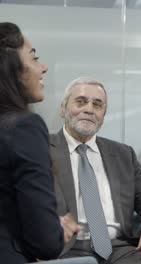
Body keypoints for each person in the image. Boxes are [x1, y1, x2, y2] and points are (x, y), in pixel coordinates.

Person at [50, 77, 141, 264]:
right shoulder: (41, 149)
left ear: (103, 114)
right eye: (81, 102)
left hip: (118, 250)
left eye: (97, 105)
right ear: (63, 108)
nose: (89, 109)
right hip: (64, 250)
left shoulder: (123, 154)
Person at [0, 22, 64, 262]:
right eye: (34, 58)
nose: (43, 67)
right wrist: (56, 230)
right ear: (11, 68)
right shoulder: (25, 127)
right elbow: (45, 243)